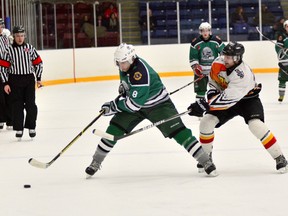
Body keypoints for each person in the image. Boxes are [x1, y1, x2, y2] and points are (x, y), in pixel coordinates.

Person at [85, 43, 217, 178]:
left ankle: (205, 161)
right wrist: (125, 89)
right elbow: (131, 92)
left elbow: (134, 105)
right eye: (118, 63)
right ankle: (96, 161)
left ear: (131, 58)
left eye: (123, 62)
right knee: (114, 129)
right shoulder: (125, 66)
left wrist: (113, 106)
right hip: (137, 104)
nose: (121, 66)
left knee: (180, 133)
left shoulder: (140, 73)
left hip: (159, 106)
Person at [187, 41, 288, 173]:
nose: (225, 59)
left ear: (237, 58)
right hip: (224, 97)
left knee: (256, 125)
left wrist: (206, 105)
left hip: (247, 100)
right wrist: (210, 96)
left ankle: (279, 157)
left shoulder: (243, 74)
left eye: (229, 57)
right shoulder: (218, 62)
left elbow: (228, 99)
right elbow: (213, 83)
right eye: (225, 56)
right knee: (206, 122)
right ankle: (206, 159)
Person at [0, 25, 43, 139]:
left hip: (28, 79)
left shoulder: (29, 48)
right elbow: (3, 68)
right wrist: (5, 83)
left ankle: (31, 126)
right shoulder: (8, 50)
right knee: (17, 105)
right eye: (18, 36)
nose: (20, 38)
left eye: (22, 36)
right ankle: (18, 128)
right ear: (14, 36)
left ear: (25, 36)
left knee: (31, 105)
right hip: (14, 80)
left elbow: (38, 62)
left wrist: (38, 78)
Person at [189, 22, 225, 103]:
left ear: (210, 31)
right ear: (200, 32)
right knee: (200, 92)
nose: (205, 33)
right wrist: (196, 68)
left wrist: (221, 67)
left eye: (207, 30)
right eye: (203, 31)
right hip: (201, 73)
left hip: (214, 72)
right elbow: (193, 57)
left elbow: (224, 54)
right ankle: (200, 107)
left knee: (216, 90)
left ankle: (216, 106)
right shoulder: (195, 43)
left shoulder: (216, 41)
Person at [0, 18, 13, 130]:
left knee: (8, 95)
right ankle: (1, 119)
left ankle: (10, 119)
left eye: (2, 26)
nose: (1, 28)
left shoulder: (6, 38)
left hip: (6, 70)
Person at [275, 20, 288, 102]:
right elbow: (278, 47)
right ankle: (281, 96)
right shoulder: (281, 36)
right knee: (282, 80)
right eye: (287, 26)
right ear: (285, 27)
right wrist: (283, 51)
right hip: (285, 62)